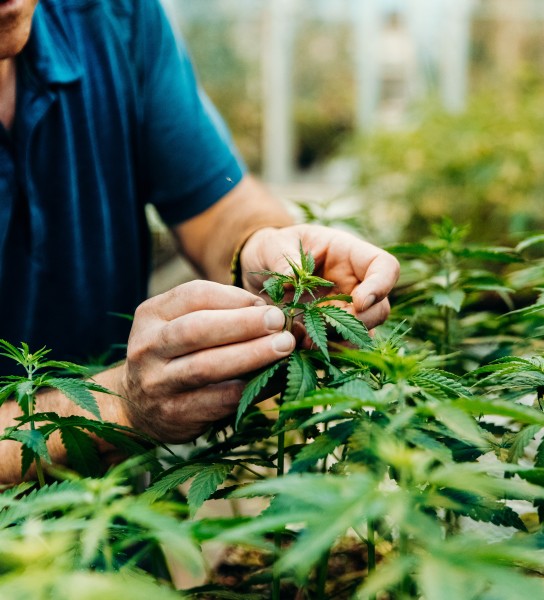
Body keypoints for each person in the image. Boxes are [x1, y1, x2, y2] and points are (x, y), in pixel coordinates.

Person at [0, 0, 399, 483]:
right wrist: (119, 406)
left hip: (114, 520)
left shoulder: (110, 16)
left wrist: (263, 249)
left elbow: (218, 208)